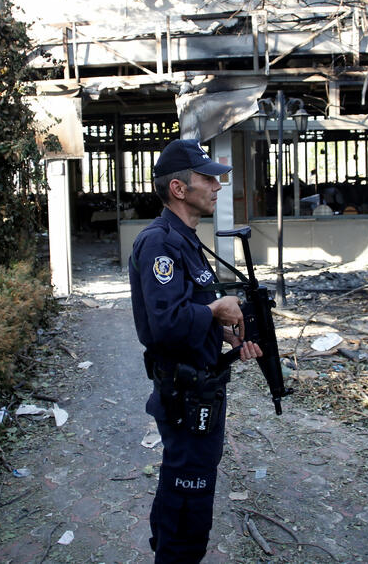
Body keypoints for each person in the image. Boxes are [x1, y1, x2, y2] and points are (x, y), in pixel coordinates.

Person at [128, 138, 263, 562]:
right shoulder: (160, 244)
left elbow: (189, 310)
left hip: (200, 386)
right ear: (179, 189)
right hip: (184, 394)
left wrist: (219, 333)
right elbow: (165, 323)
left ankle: (168, 550)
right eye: (208, 178)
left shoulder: (186, 241)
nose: (218, 186)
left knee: (184, 477)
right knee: (191, 489)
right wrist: (216, 309)